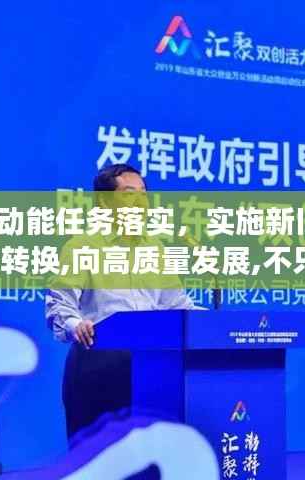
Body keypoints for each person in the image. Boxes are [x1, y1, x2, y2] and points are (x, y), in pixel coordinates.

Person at [46, 164, 196, 442]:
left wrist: (209, 324)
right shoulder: (82, 246)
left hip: (152, 367)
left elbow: (176, 303)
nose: (140, 202)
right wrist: (76, 324)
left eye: (143, 194)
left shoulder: (155, 248)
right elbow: (60, 304)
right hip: (99, 367)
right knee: (97, 457)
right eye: (129, 194)